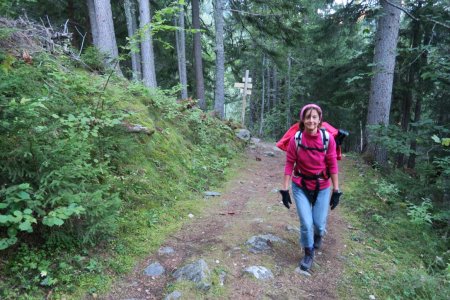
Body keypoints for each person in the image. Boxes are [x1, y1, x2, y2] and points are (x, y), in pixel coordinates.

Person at [279, 103, 342, 271]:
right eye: (308, 117)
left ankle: (318, 234)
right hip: (300, 185)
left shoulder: (327, 140)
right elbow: (289, 164)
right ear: (303, 120)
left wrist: (336, 190)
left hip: (322, 185)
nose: (311, 120)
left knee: (319, 224)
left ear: (319, 119)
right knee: (306, 223)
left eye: (314, 117)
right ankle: (308, 253)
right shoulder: (296, 139)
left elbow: (333, 164)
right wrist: (284, 189)